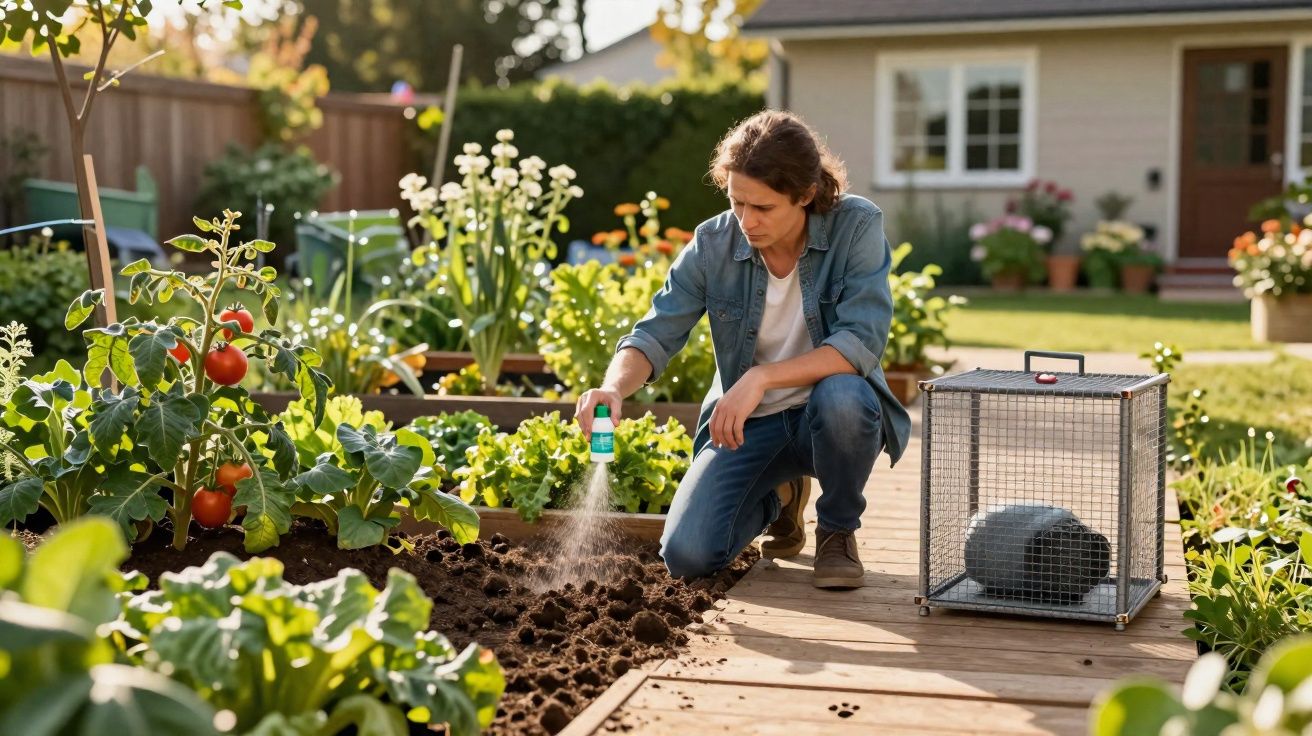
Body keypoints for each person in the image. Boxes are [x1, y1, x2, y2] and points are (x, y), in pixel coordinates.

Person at [574, 110, 911, 589]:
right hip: (750, 425)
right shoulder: (713, 245)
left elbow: (860, 343)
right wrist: (612, 387)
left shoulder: (855, 226)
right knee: (688, 555)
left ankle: (836, 530)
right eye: (737, 203)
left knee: (844, 396)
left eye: (764, 208)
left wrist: (761, 376)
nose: (747, 221)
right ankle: (780, 495)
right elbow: (656, 332)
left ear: (807, 195)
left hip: (829, 415)